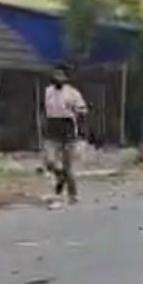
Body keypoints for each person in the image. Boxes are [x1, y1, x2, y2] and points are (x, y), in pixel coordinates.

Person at [43, 67, 89, 204]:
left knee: (68, 166)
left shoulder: (72, 93)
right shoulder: (48, 91)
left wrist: (74, 109)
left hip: (67, 129)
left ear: (65, 78)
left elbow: (83, 110)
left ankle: (73, 194)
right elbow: (46, 109)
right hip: (52, 128)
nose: (58, 79)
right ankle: (60, 175)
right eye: (56, 75)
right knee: (50, 161)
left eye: (61, 76)